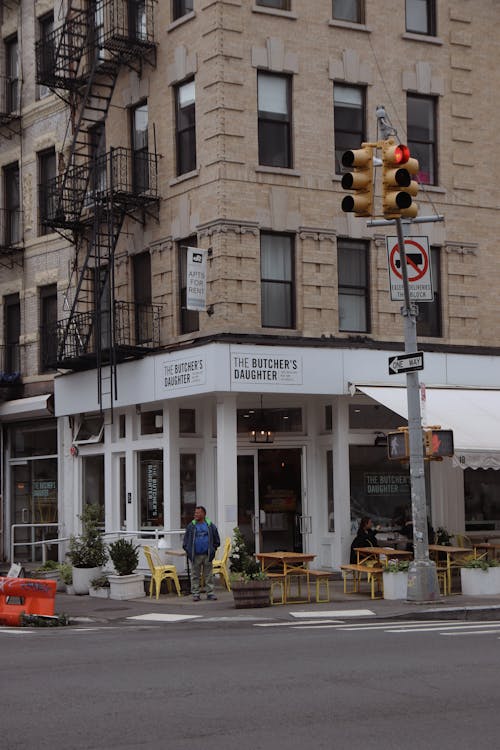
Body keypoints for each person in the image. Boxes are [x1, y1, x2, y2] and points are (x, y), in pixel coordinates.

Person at [183, 505, 220, 601]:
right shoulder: (191, 526)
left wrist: (213, 549)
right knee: (195, 575)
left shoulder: (210, 526)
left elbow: (217, 540)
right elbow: (186, 541)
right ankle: (195, 594)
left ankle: (210, 593)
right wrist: (188, 550)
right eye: (195, 513)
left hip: (207, 554)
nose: (196, 514)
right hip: (195, 555)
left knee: (209, 575)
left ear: (203, 514)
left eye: (198, 513)